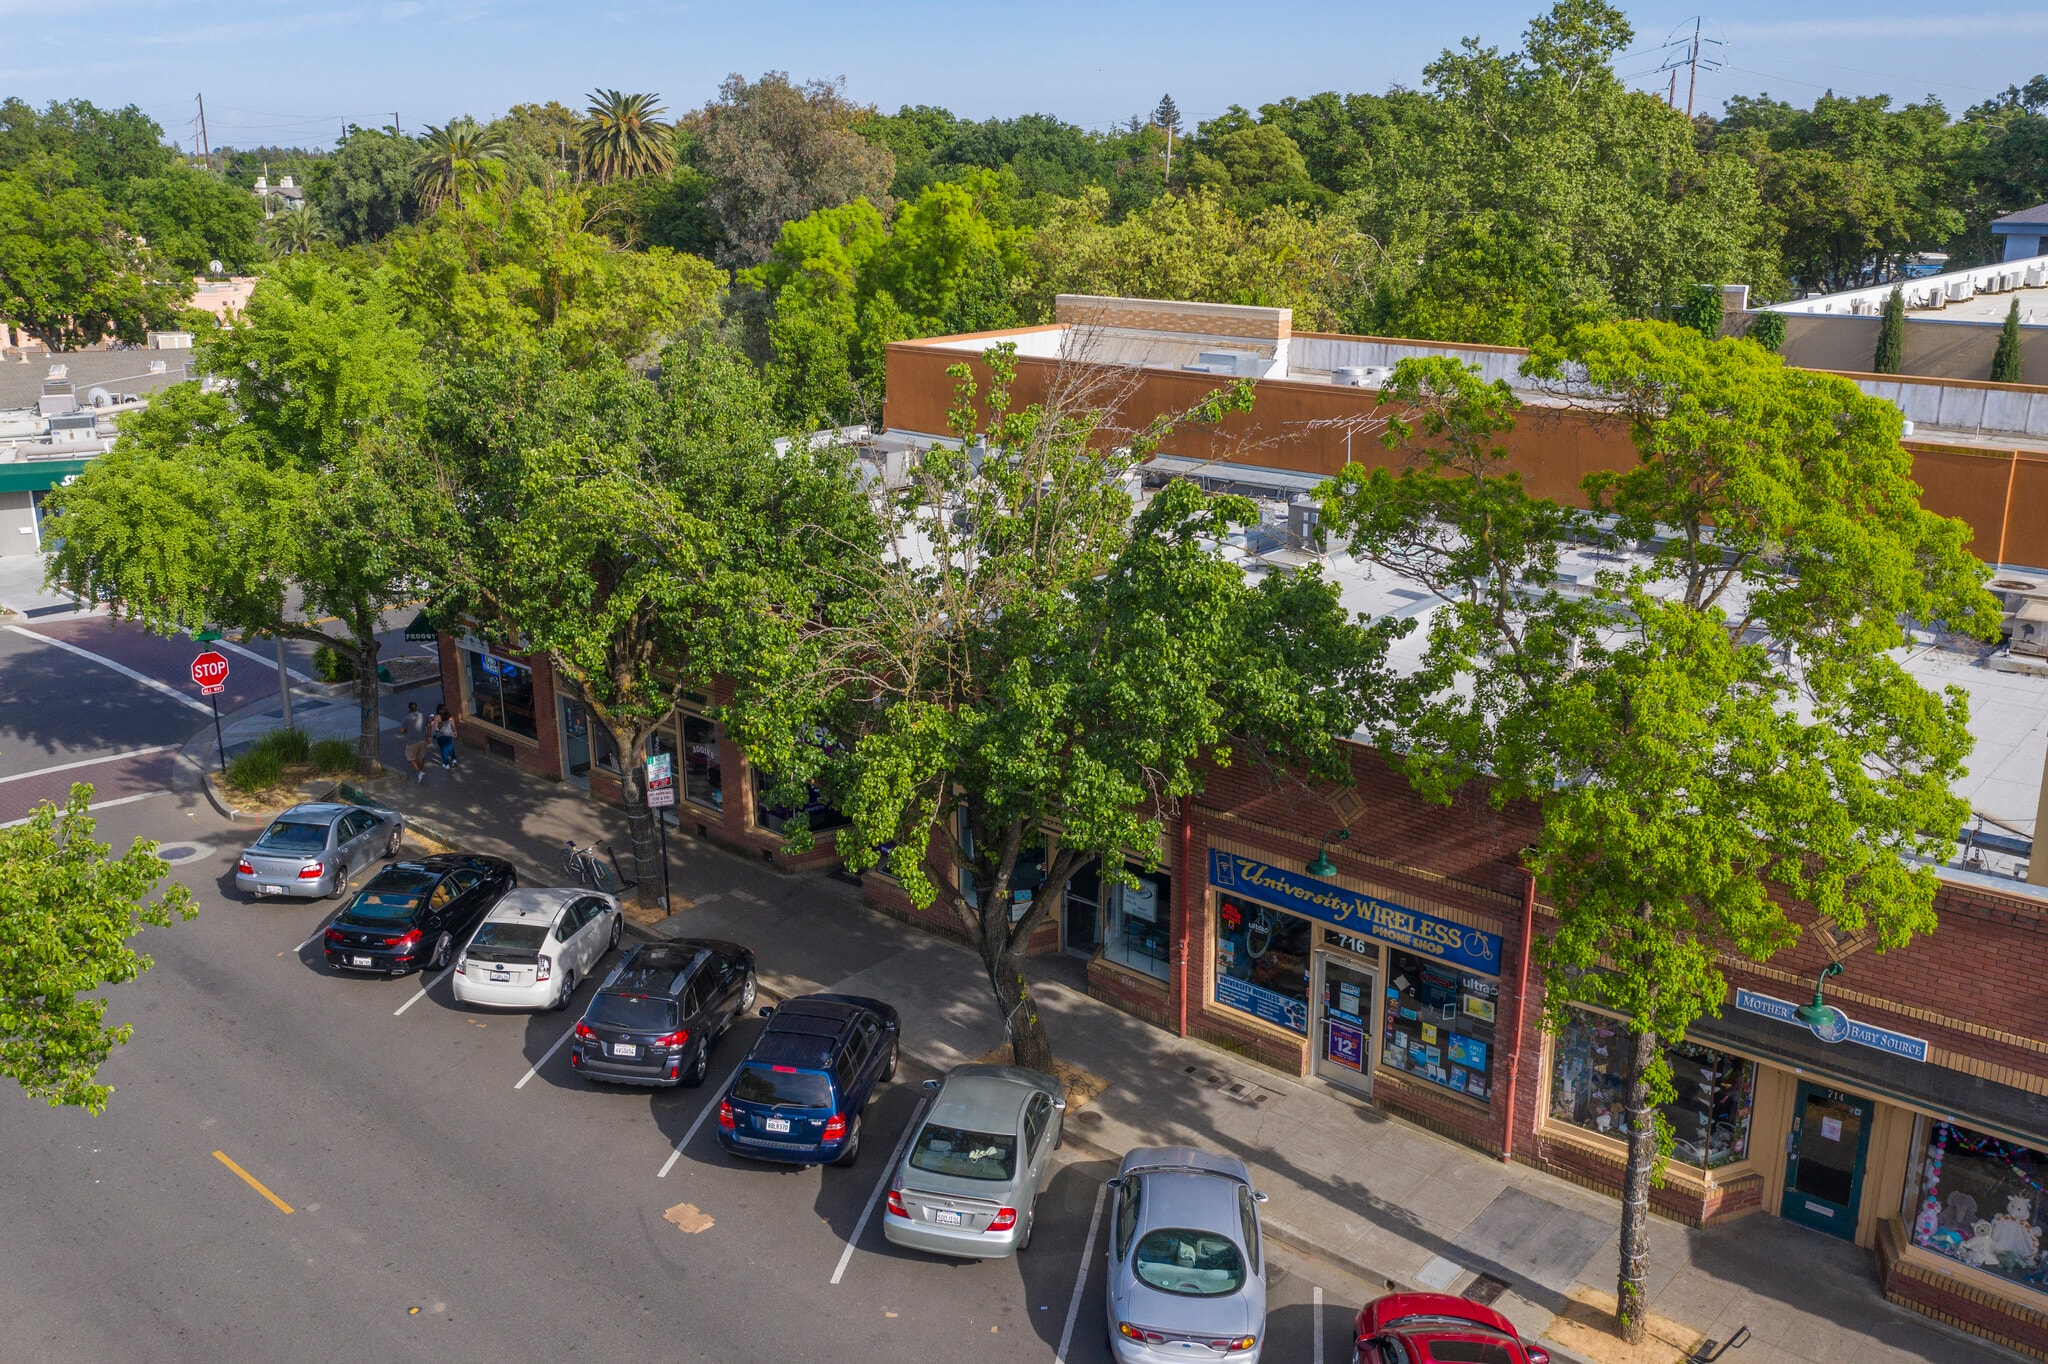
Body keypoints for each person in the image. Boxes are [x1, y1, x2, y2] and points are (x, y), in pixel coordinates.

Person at [398, 702, 430, 783]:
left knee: (410, 757)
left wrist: (406, 729)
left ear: (408, 709)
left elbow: (401, 731)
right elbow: (429, 725)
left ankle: (419, 772)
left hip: (412, 741)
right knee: (421, 756)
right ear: (416, 708)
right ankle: (420, 771)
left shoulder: (406, 718)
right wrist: (429, 736)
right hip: (423, 739)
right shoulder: (423, 715)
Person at [432, 705, 457, 770]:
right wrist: (454, 732)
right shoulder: (450, 716)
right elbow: (453, 725)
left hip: (441, 735)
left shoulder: (437, 717)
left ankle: (446, 764)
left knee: (443, 749)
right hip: (449, 734)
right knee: (450, 747)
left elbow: (435, 728)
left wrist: (434, 724)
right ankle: (454, 760)